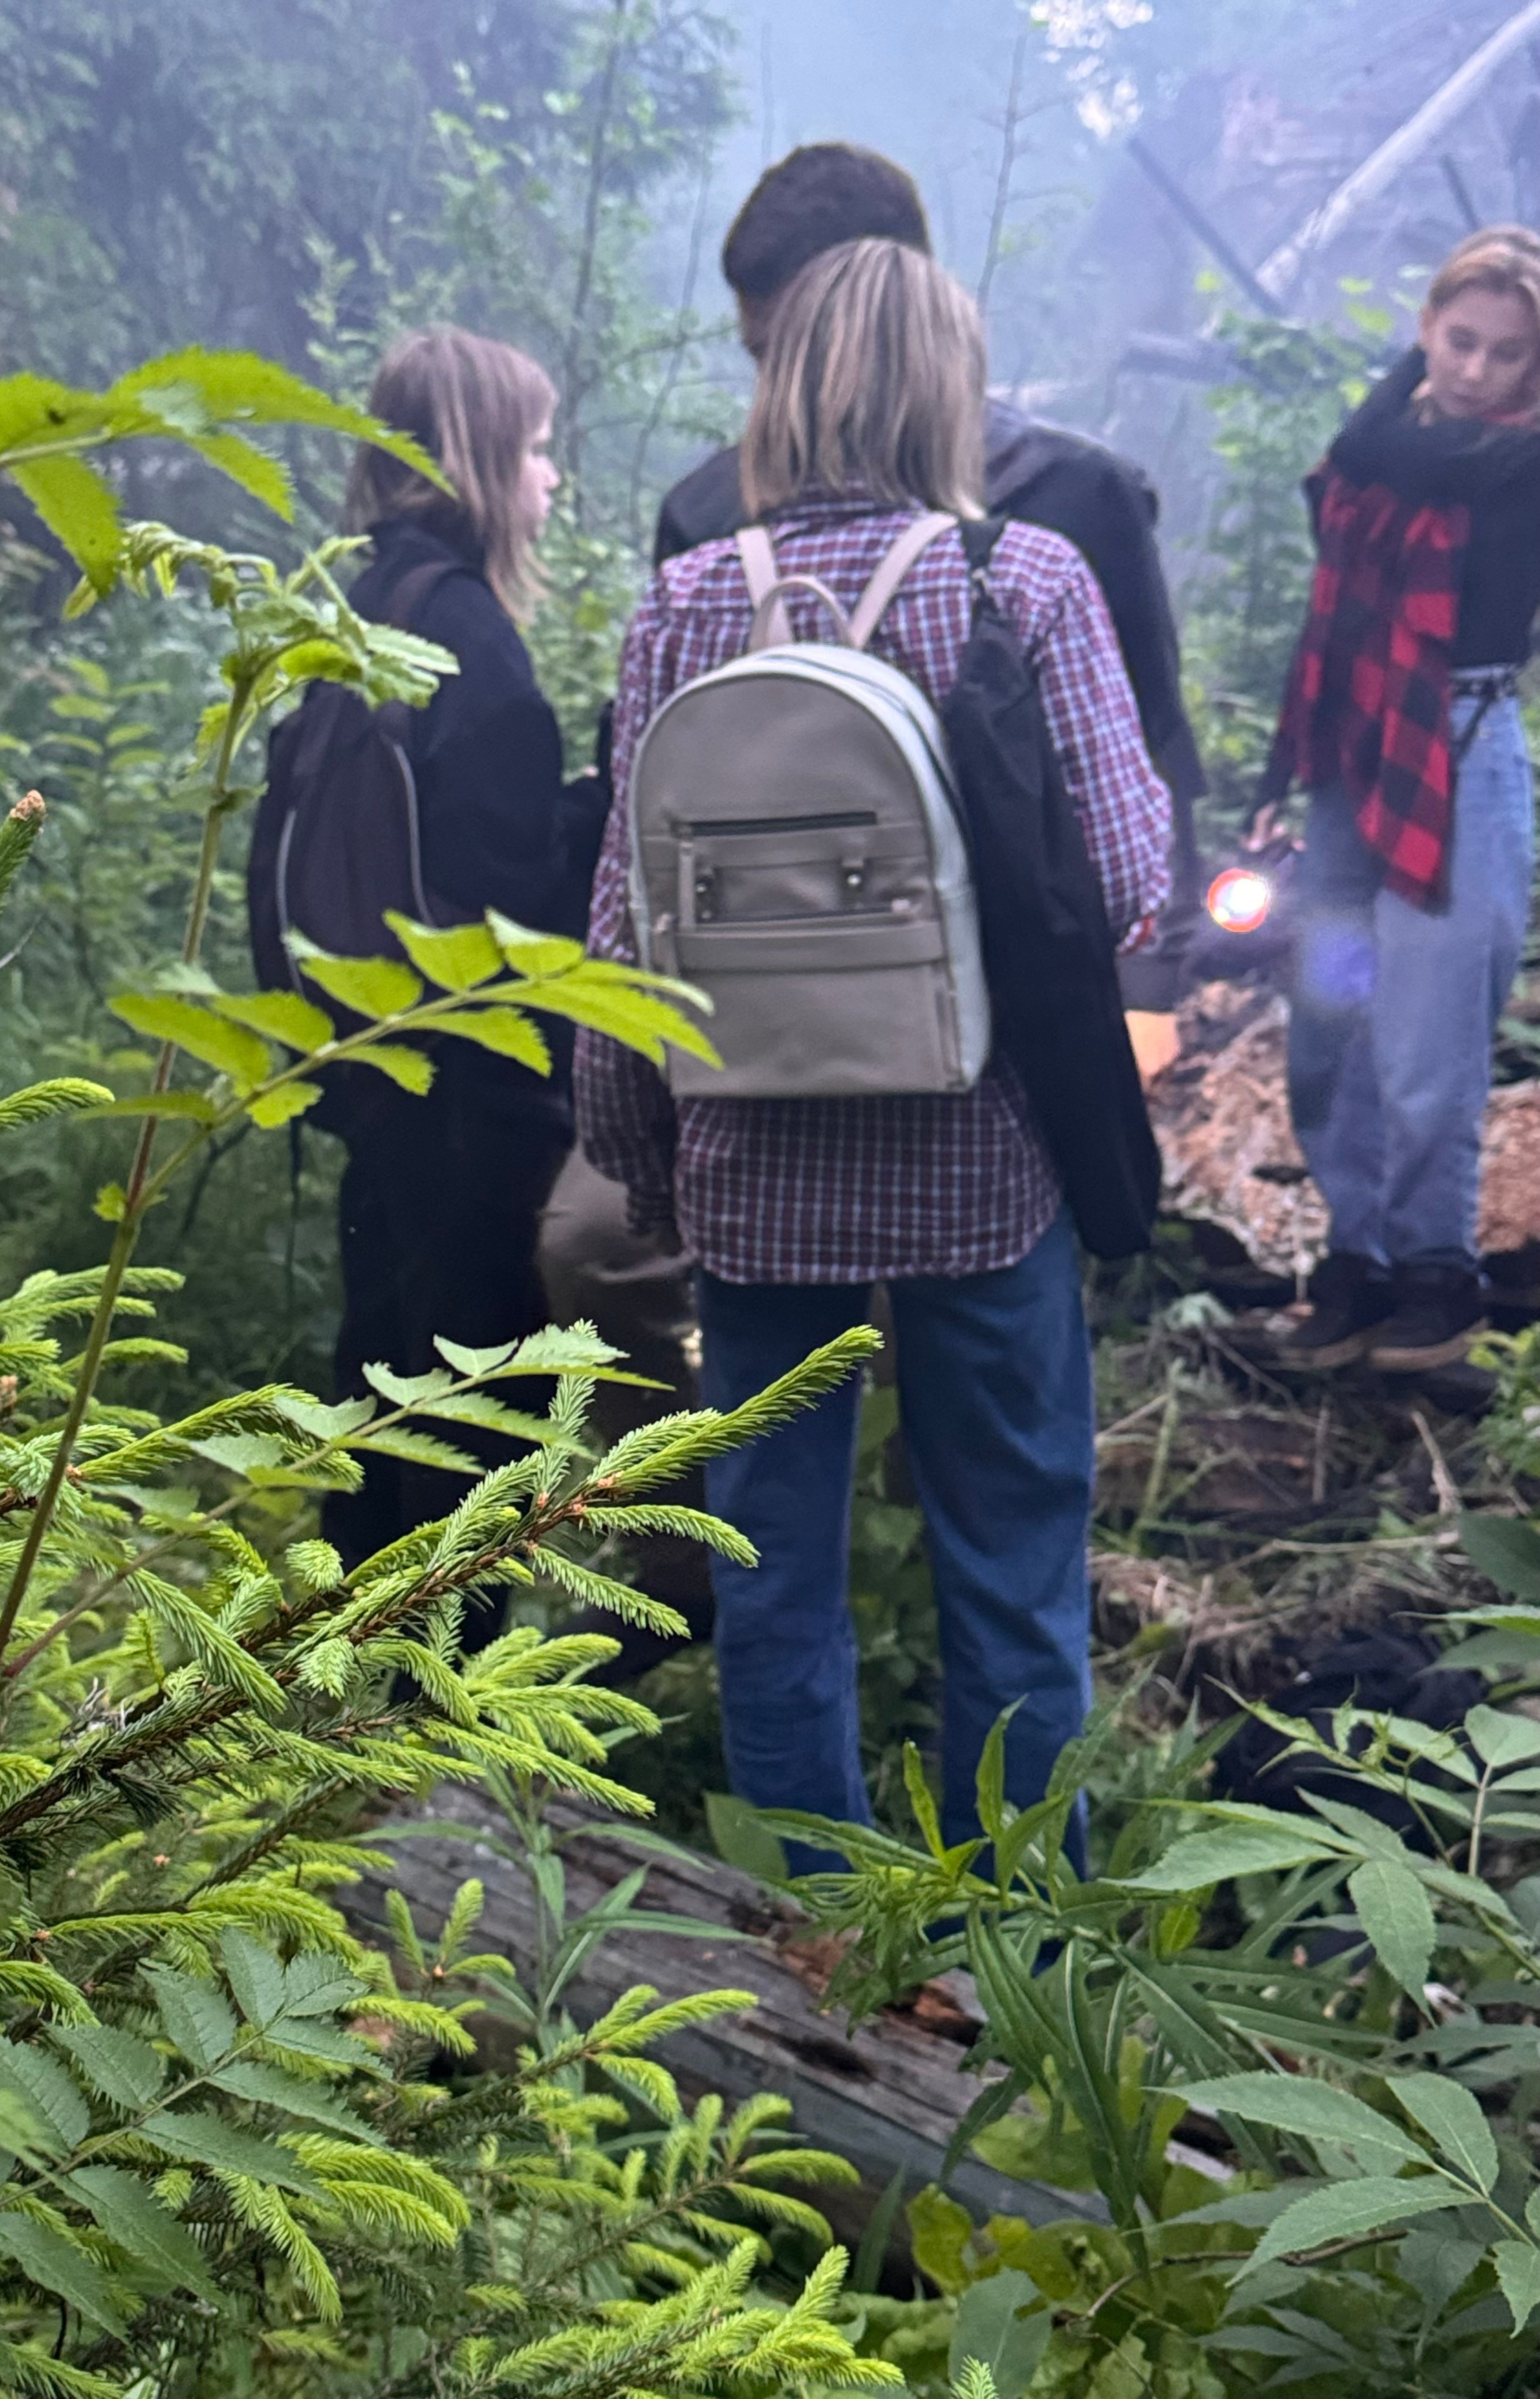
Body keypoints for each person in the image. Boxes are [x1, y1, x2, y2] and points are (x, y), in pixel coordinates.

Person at [576, 239, 1171, 1867]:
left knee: (769, 1565)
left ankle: (814, 1927)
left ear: (780, 387)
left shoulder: (686, 600)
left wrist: (637, 1158)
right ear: (949, 392)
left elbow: (621, 927)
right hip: (981, 1160)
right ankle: (1014, 1926)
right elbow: (1124, 873)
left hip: (750, 1165)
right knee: (1011, 1556)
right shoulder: (1019, 580)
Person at [654, 142, 1207, 1067]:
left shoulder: (1072, 501)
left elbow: (1151, 742)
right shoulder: (706, 525)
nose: (781, 390)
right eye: (763, 357)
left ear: (895, 304)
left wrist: (1148, 987)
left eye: (800, 349)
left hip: (1028, 1021)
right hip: (777, 1026)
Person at [324, 326, 607, 1571]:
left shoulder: (366, 603)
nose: (550, 476)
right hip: (473, 1080)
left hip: (367, 1050)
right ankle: (447, 1655)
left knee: (377, 1364)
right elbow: (514, 900)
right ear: (479, 457)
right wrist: (605, 807)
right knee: (479, 1399)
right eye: (535, 449)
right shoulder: (471, 638)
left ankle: (336, 1620)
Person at [1270, 227, 1540, 1373]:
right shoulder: (1376, 450)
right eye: (1460, 339)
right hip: (1356, 755)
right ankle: (1360, 1265)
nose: (1477, 370)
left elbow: (1402, 457)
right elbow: (1334, 600)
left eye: (1508, 353)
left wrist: (1404, 393)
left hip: (1459, 759)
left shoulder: (1521, 465)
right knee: (1330, 1030)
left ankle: (1435, 1274)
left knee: (1428, 1046)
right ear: (1426, 327)